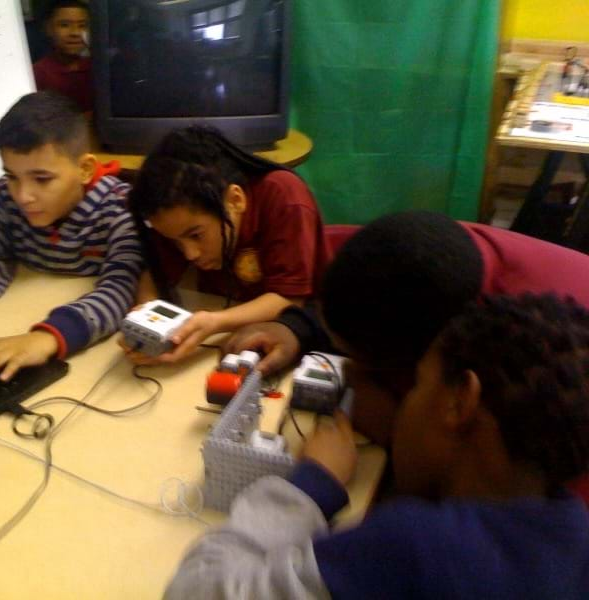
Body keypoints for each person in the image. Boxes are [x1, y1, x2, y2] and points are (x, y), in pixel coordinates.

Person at [165, 294, 589, 599]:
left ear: (460, 401)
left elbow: (193, 591)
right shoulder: (575, 530)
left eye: (419, 385)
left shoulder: (417, 546)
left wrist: (307, 487)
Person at [226, 210, 589, 446]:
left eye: (363, 365)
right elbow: (357, 290)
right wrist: (297, 327)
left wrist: (398, 432)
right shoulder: (431, 253)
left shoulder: (539, 365)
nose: (349, 372)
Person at [0, 91, 142, 387]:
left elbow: (120, 289)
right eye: (12, 176)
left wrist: (47, 338)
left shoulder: (121, 209)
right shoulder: (0, 197)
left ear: (84, 169)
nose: (23, 195)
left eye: (42, 179)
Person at [121, 125, 330, 365]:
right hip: (231, 334)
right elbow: (155, 274)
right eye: (175, 241)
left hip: (303, 340)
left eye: (196, 235)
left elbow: (289, 299)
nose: (190, 254)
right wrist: (146, 317)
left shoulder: (284, 197)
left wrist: (215, 322)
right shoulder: (175, 213)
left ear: (235, 200)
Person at [32, 0, 93, 113]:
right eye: (64, 25)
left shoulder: (98, 68)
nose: (75, 33)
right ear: (48, 29)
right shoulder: (37, 73)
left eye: (82, 26)